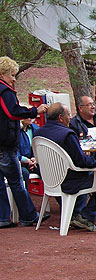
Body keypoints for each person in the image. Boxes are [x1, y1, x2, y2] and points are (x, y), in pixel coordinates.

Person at [35, 103, 96, 232]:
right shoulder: (67, 134)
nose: (70, 118)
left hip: (49, 180)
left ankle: (75, 214)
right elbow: (80, 161)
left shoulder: (39, 133)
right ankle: (85, 217)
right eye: (69, 115)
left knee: (85, 176)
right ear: (61, 117)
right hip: (69, 181)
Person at [0, 56, 48, 228]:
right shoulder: (4, 91)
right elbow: (12, 112)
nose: (14, 79)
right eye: (12, 75)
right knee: (16, 181)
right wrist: (34, 110)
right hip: (5, 145)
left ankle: (3, 217)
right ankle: (28, 215)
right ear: (3, 73)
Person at [18, 118, 39, 186]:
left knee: (45, 169)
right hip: (18, 162)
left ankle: (54, 194)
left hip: (32, 161)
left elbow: (38, 146)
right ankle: (25, 196)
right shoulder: (15, 131)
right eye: (27, 116)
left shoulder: (34, 128)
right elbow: (12, 151)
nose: (30, 118)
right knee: (24, 172)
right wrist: (25, 160)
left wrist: (35, 158)